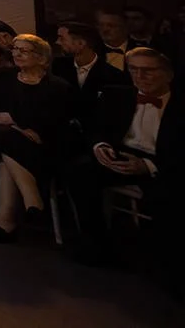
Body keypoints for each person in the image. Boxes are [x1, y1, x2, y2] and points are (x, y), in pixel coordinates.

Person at [66, 47, 180, 265]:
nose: (139, 76)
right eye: (134, 70)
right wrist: (100, 145)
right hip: (121, 155)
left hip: (161, 163)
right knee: (80, 171)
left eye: (148, 70)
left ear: (168, 74)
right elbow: (95, 128)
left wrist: (147, 165)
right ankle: (97, 245)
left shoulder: (178, 104)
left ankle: (162, 258)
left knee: (169, 193)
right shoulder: (118, 95)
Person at [0, 34, 73, 243]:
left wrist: (14, 120)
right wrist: (19, 127)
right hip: (2, 139)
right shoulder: (3, 77)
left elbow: (56, 122)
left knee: (6, 152)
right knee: (5, 138)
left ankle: (5, 219)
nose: (17, 54)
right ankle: (32, 199)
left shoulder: (57, 86)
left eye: (24, 50)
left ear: (42, 58)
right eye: (15, 49)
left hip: (41, 145)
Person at [53, 20, 126, 132]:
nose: (57, 42)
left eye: (62, 38)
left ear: (81, 43)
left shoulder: (114, 75)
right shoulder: (58, 67)